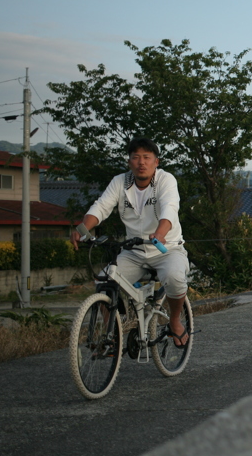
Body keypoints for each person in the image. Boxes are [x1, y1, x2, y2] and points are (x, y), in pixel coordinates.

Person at [71, 137, 190, 347]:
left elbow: (170, 208)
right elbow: (101, 207)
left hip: (167, 248)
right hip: (134, 251)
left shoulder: (166, 180)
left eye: (146, 157)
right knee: (103, 282)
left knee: (174, 278)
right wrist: (83, 228)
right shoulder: (120, 182)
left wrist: (160, 233)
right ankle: (112, 334)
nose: (141, 162)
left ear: (156, 162)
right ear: (129, 162)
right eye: (136, 157)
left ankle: (174, 320)